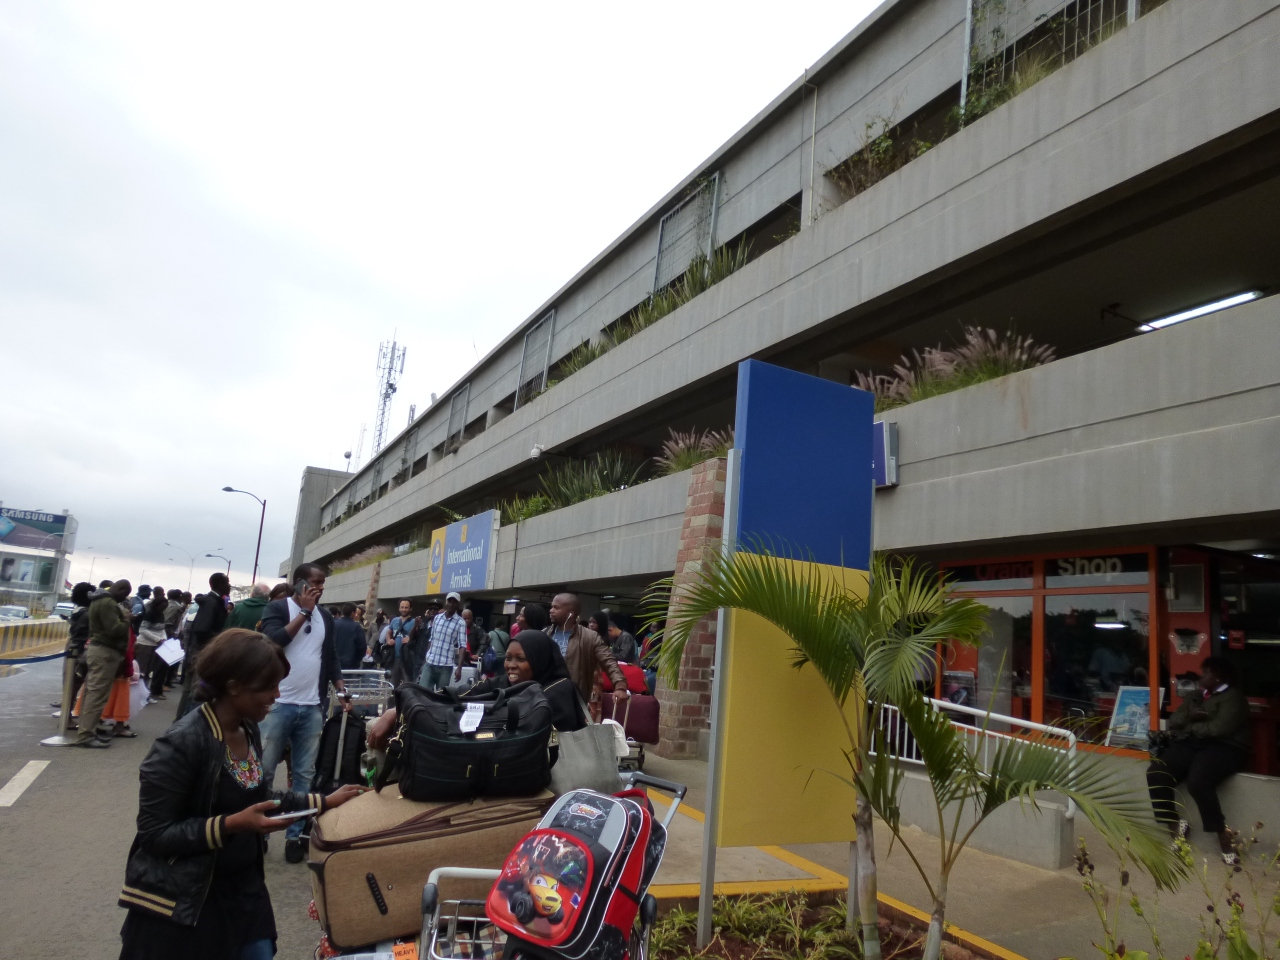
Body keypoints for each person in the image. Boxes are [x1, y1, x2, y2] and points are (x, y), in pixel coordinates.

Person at [116, 628, 365, 960]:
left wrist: (324, 801)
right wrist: (232, 824)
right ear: (234, 686)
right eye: (269, 686)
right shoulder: (179, 744)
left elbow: (256, 797)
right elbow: (154, 834)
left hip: (244, 892)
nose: (277, 694)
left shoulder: (247, 728)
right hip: (186, 904)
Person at [369, 629, 588, 757]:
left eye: (521, 659)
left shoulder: (559, 690)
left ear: (540, 660)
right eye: (508, 658)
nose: (511, 665)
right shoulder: (504, 683)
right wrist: (399, 710)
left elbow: (532, 731)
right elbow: (458, 695)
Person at [255, 563, 346, 863]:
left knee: (304, 775)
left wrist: (340, 687)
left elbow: (330, 655)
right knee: (265, 770)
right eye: (314, 583)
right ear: (298, 584)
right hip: (278, 705)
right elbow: (272, 642)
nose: (320, 588)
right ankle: (260, 832)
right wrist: (304, 613)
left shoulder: (326, 617)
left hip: (311, 706)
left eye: (322, 583)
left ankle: (294, 836)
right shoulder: (278, 609)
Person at [1147, 656, 1251, 863]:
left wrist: (1192, 726)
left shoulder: (1233, 698)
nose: (1201, 677)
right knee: (1157, 772)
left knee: (1199, 781)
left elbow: (1219, 729)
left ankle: (1223, 835)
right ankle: (1175, 825)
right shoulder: (1196, 696)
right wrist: (1191, 718)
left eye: (1206, 673)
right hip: (1192, 743)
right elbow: (1175, 720)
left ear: (1218, 676)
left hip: (1225, 747)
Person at [74, 579, 132, 748]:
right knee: (97, 695)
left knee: (92, 693)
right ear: (121, 590)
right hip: (105, 652)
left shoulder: (98, 600)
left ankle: (86, 730)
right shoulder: (108, 603)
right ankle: (86, 735)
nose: (123, 599)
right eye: (124, 595)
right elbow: (114, 630)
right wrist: (127, 619)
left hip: (98, 650)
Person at [547, 592, 629, 707]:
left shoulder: (590, 637)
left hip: (572, 701)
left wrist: (620, 686)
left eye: (556, 607)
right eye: (551, 607)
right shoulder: (544, 634)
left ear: (570, 614)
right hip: (544, 698)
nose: (551, 610)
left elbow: (609, 662)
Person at [176, 574, 232, 719]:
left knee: (189, 691)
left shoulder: (212, 602)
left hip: (197, 652)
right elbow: (202, 629)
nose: (229, 586)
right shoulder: (212, 603)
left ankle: (180, 722)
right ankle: (187, 724)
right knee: (197, 693)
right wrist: (222, 638)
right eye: (227, 583)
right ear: (220, 585)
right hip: (202, 654)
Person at [419, 592, 467, 691]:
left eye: (454, 602)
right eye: (449, 601)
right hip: (430, 662)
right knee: (423, 692)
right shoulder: (437, 618)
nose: (451, 604)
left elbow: (462, 646)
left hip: (446, 666)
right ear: (446, 602)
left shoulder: (461, 622)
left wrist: (459, 668)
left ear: (458, 605)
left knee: (440, 695)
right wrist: (425, 661)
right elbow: (431, 639)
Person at [61, 581, 94, 718]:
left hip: (73, 646)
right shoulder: (88, 614)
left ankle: (66, 714)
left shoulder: (77, 611)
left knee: (69, 683)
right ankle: (68, 716)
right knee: (75, 683)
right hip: (80, 649)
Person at [137, 585, 171, 703]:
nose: (163, 609)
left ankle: (146, 695)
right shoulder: (150, 614)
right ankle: (139, 696)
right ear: (157, 605)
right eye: (162, 607)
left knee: (149, 672)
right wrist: (157, 639)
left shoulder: (161, 615)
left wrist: (164, 639)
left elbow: (161, 629)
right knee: (142, 672)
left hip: (156, 645)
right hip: (145, 644)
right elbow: (142, 630)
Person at [380, 599, 419, 687]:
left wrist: (410, 639)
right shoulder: (395, 620)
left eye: (406, 607)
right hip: (395, 657)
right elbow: (389, 631)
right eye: (402, 607)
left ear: (410, 609)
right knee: (393, 684)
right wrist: (389, 640)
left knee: (408, 684)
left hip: (407, 658)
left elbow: (418, 637)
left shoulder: (414, 622)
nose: (404, 609)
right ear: (399, 608)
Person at [333, 603, 368, 671]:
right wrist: (357, 660)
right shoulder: (357, 627)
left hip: (334, 662)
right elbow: (362, 647)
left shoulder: (334, 624)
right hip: (351, 665)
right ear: (352, 613)